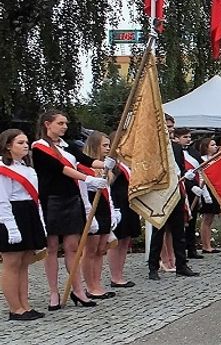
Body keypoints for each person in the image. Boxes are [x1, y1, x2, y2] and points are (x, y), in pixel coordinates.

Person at [33, 110, 115, 308]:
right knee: (52, 248)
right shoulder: (39, 147)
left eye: (66, 123)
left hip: (71, 199)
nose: (65, 127)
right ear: (47, 124)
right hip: (51, 200)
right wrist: (88, 179)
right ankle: (54, 292)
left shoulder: (67, 145)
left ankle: (78, 290)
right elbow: (60, 168)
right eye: (60, 123)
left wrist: (105, 164)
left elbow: (84, 160)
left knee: (73, 248)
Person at [0, 129, 48, 320]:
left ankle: (25, 305)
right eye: (20, 143)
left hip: (29, 213)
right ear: (8, 146)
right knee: (12, 263)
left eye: (26, 142)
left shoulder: (28, 168)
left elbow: (34, 198)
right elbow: (2, 199)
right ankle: (15, 308)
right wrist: (10, 226)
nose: (26, 145)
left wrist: (40, 223)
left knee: (24, 263)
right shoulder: (3, 168)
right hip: (11, 214)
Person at [148, 122, 198, 281]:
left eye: (171, 127)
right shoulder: (154, 148)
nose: (170, 130)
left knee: (179, 231)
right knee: (158, 232)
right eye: (167, 127)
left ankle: (181, 265)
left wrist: (187, 177)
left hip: (177, 192)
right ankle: (153, 267)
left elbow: (181, 170)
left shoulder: (176, 148)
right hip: (161, 194)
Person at [79, 131, 118, 299]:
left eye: (109, 145)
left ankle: (97, 282)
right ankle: (90, 286)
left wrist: (113, 211)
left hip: (104, 208)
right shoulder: (83, 166)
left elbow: (108, 190)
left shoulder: (105, 168)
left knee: (102, 249)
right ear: (94, 146)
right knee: (91, 249)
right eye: (104, 145)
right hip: (91, 208)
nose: (108, 148)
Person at [106, 132, 141, 289]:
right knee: (117, 240)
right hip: (117, 201)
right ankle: (115, 276)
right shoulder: (111, 162)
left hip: (129, 202)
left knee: (126, 239)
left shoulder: (128, 162)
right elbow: (109, 181)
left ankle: (120, 273)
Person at [175, 128, 206, 261]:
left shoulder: (193, 152)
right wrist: (190, 186)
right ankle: (180, 252)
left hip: (195, 188)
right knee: (181, 222)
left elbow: (202, 167)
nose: (188, 139)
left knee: (192, 220)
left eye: (189, 137)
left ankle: (191, 248)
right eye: (185, 137)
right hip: (182, 188)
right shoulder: (174, 151)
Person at [194, 137, 221, 254]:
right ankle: (205, 245)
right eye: (212, 145)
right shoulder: (202, 160)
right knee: (206, 219)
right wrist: (205, 195)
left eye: (215, 145)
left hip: (214, 189)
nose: (215, 147)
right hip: (206, 189)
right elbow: (202, 177)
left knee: (210, 220)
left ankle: (208, 244)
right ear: (206, 147)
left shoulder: (215, 159)